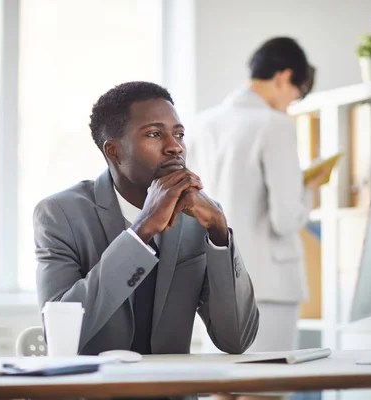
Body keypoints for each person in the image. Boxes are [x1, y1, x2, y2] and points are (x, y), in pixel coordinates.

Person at [34, 81, 259, 359]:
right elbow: (61, 335)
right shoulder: (60, 214)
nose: (175, 147)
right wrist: (142, 231)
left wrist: (220, 233)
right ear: (113, 151)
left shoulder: (199, 217)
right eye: (154, 134)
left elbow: (237, 339)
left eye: (179, 134)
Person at [186, 37, 330, 354]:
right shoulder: (275, 124)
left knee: (224, 384)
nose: (295, 100)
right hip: (268, 283)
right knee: (267, 384)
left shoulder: (200, 124)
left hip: (216, 281)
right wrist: (310, 189)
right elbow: (285, 219)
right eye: (299, 91)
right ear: (283, 77)